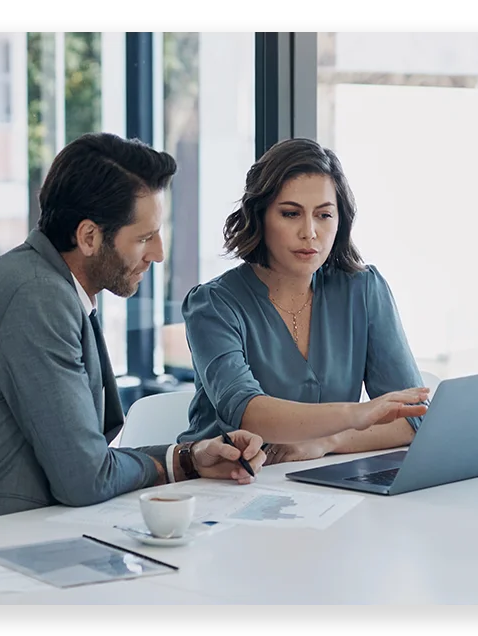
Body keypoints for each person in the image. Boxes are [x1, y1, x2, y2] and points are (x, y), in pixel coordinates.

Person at [0, 132, 266, 528]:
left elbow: (87, 462)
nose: (158, 254)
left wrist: (187, 457)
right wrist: (178, 463)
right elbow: (85, 478)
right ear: (89, 237)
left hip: (33, 535)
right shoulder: (35, 296)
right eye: (143, 238)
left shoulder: (51, 283)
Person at [177, 138, 429, 465]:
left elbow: (414, 417)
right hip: (225, 483)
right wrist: (358, 414)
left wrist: (329, 441)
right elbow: (248, 412)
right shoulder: (213, 305)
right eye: (291, 214)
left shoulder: (363, 289)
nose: (309, 232)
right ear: (260, 216)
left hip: (323, 486)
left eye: (324, 215)